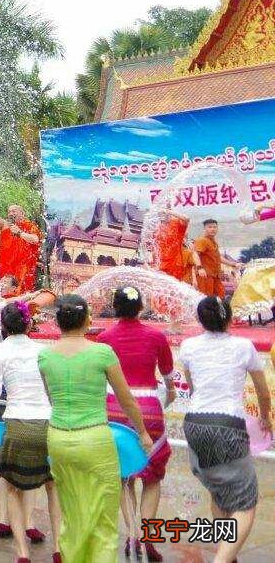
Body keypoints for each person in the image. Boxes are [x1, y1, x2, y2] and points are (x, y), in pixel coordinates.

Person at [37, 295, 152, 562]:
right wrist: (143, 433)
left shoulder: (45, 356)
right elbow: (126, 400)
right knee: (103, 519)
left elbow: (52, 399)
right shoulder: (101, 353)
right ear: (87, 319)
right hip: (94, 440)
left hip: (58, 440)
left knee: (72, 514)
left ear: (58, 321)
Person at [179, 296, 271, 563]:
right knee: (245, 502)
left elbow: (193, 385)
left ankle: (225, 554)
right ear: (229, 318)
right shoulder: (244, 346)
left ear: (201, 320)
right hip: (227, 425)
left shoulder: (188, 346)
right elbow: (263, 392)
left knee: (218, 492)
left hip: (195, 423)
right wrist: (265, 418)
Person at [97, 286, 176, 562]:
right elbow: (169, 378)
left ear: (115, 307)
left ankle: (130, 532)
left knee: (123, 475)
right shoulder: (156, 336)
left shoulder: (104, 339)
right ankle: (147, 535)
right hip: (149, 411)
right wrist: (167, 397)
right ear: (140, 307)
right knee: (153, 478)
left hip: (114, 412)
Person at [0, 301, 60, 563]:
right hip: (47, 424)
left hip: (16, 425)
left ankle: (22, 553)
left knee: (14, 488)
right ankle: (59, 548)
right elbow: (53, 391)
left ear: (3, 326)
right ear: (28, 323)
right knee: (52, 487)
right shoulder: (43, 350)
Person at [0, 196, 41, 291]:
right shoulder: (5, 225)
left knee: (20, 293)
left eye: (14, 211)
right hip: (5, 269)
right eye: (9, 211)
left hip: (22, 269)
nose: (10, 214)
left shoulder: (30, 226)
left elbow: (35, 240)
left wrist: (20, 233)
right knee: (3, 292)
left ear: (22, 214)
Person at [193, 219, 237, 298]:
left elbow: (218, 257)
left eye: (214, 227)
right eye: (210, 227)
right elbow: (195, 254)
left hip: (216, 276)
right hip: (205, 275)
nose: (212, 229)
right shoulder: (202, 240)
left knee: (220, 297)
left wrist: (233, 264)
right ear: (204, 229)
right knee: (206, 299)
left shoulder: (213, 242)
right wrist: (200, 268)